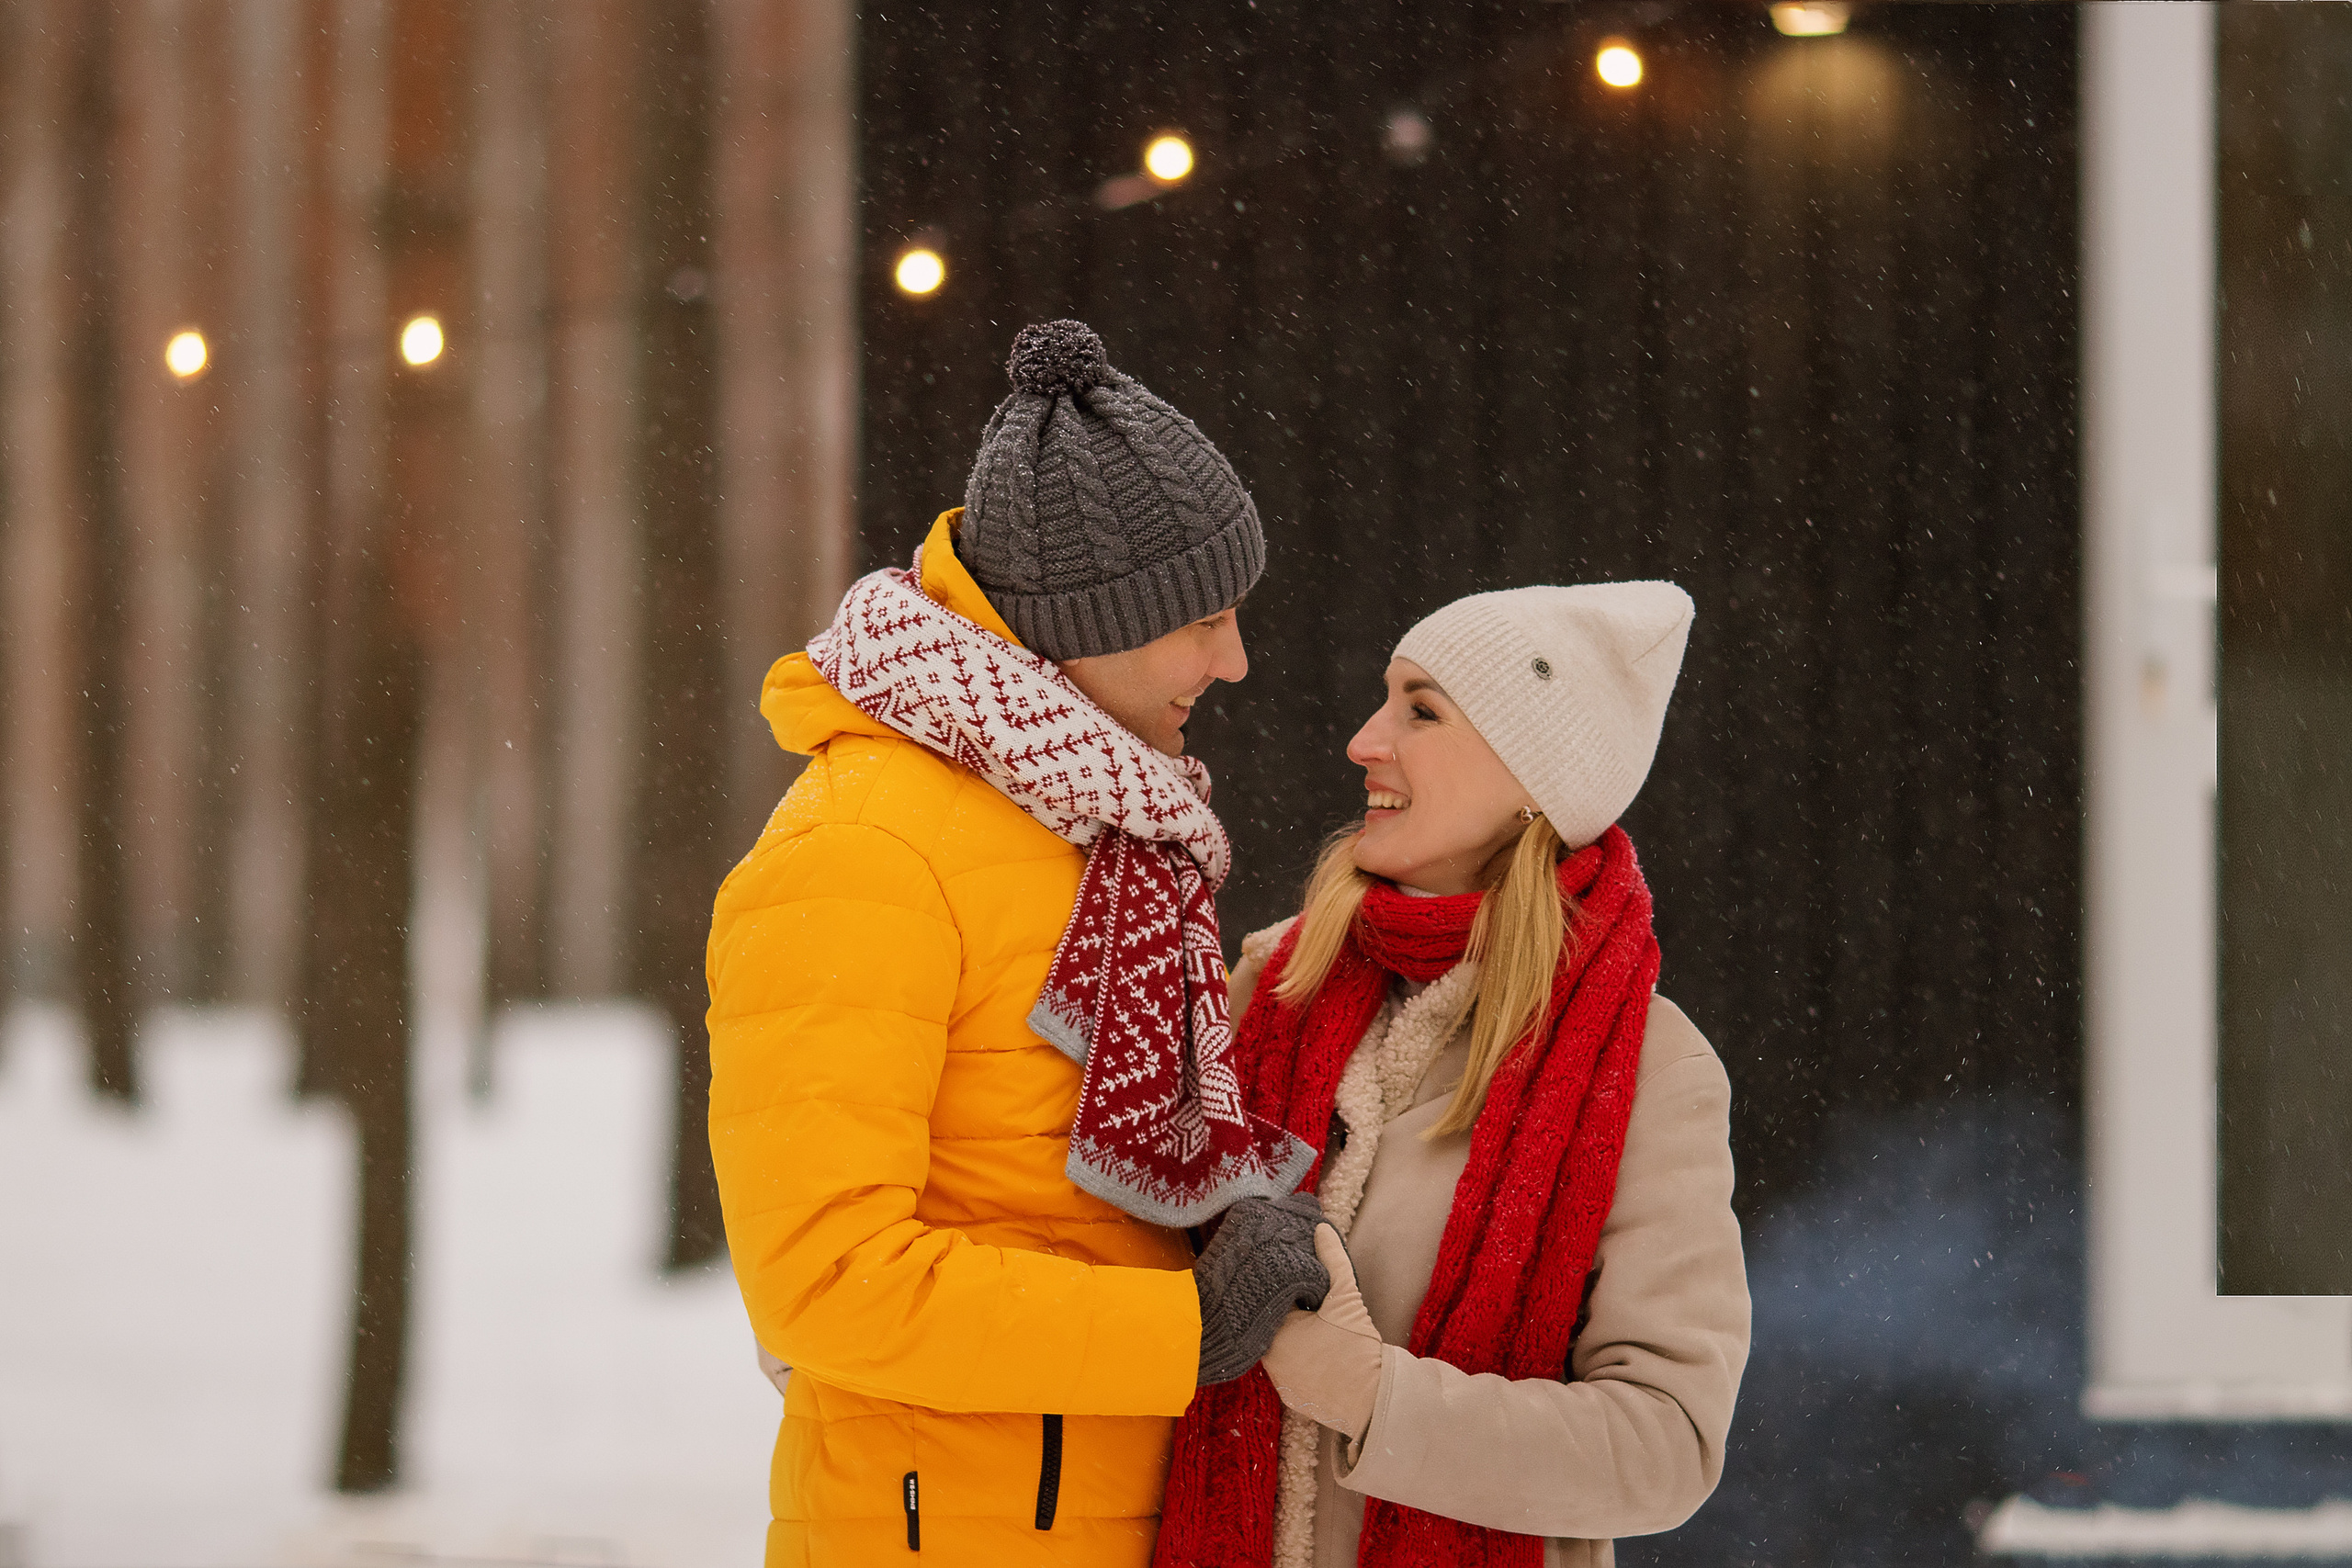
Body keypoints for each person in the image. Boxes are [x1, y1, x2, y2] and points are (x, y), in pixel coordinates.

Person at [707, 320, 1329, 1567]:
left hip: (1129, 1515)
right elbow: (824, 1276)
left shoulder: (1099, 827)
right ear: (1085, 625)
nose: (1237, 660)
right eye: (1202, 619)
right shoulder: (862, 850)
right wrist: (1182, 1322)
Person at [1155, 584, 1752, 1568]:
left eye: (1420, 710)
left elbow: (1664, 1447)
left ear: (1534, 776)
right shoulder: (1268, 988)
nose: (1363, 741)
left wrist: (1371, 1397)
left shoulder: (1642, 1067)